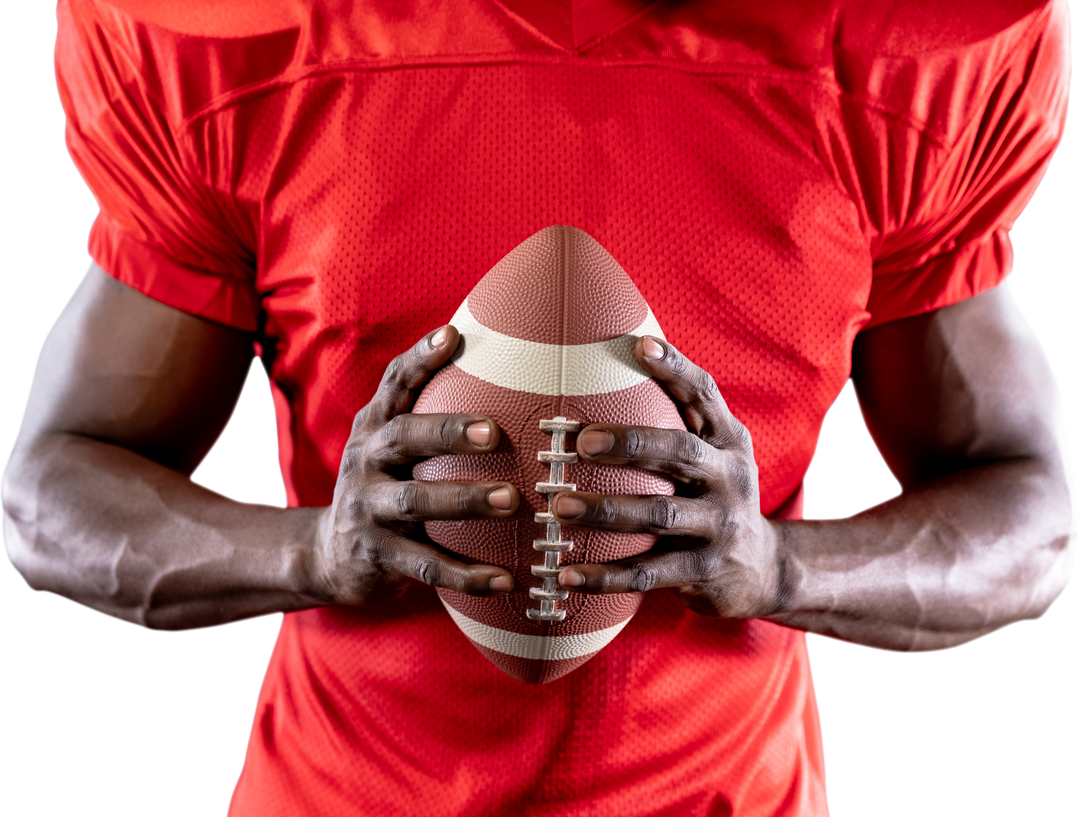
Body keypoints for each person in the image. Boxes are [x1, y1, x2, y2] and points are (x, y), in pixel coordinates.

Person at [2, 0, 1075, 814]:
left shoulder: (880, 69)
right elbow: (50, 488)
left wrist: (780, 567)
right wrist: (312, 552)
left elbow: (1034, 513)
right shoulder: (268, 49)